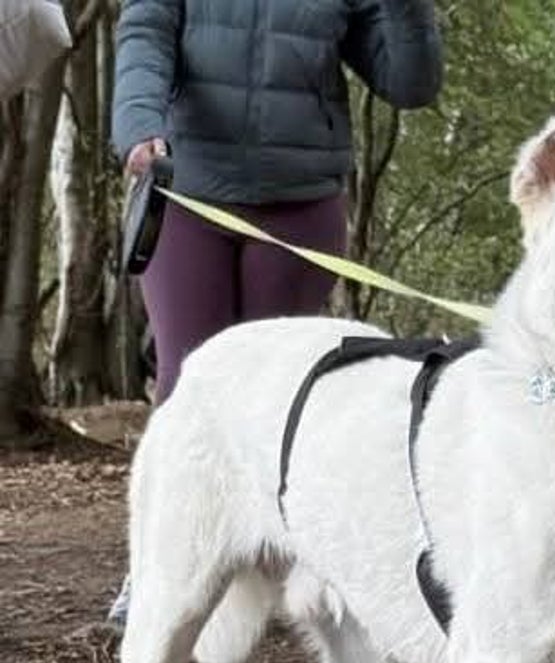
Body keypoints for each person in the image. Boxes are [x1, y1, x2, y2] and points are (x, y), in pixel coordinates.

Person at [107, 0, 442, 624]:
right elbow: (145, 30)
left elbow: (409, 84)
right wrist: (138, 124)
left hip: (301, 201)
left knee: (284, 391)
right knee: (187, 380)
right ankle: (156, 568)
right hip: (188, 192)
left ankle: (282, 560)